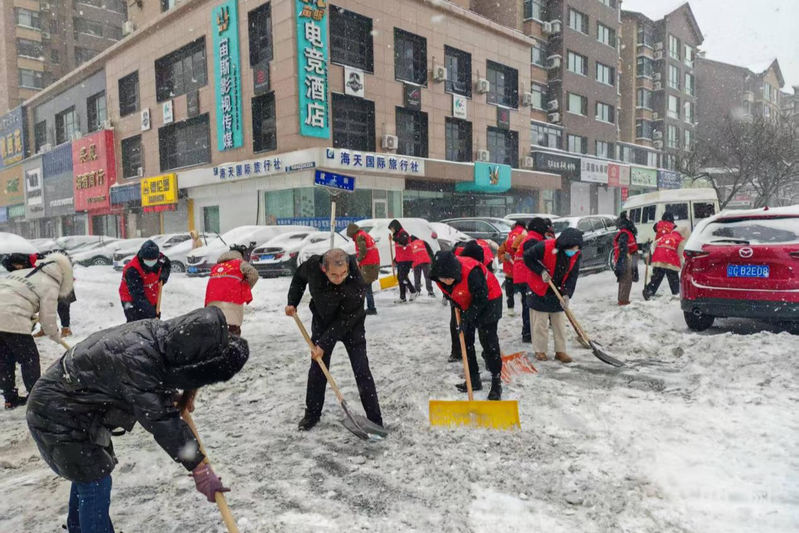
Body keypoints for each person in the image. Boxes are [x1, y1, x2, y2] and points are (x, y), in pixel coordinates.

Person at [26, 307, 249, 533]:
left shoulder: (157, 337)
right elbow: (162, 421)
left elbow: (136, 381)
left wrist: (169, 395)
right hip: (57, 414)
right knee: (94, 480)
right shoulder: (140, 358)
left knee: (87, 474)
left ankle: (79, 528)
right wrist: (199, 468)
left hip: (69, 408)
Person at [285, 249, 383, 431]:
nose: (339, 278)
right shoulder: (313, 266)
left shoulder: (356, 282)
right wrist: (292, 301)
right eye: (334, 275)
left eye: (343, 273)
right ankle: (312, 414)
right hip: (322, 321)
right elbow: (299, 278)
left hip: (351, 325)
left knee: (362, 370)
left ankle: (375, 420)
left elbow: (345, 320)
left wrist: (323, 344)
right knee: (317, 369)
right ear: (323, 269)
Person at [0, 252, 72, 410]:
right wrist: (54, 335)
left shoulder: (22, 272)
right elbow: (48, 317)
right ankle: (36, 400)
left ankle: (10, 398)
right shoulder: (50, 282)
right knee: (29, 359)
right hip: (12, 317)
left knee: (5, 358)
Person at [430, 249, 504, 400]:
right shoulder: (440, 278)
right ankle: (473, 379)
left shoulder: (472, 272)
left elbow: (481, 299)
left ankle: (496, 382)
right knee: (466, 341)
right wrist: (457, 307)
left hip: (490, 300)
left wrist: (467, 318)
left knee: (488, 342)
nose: (446, 281)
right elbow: (449, 293)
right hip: (466, 301)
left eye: (449, 278)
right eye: (443, 279)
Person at [523, 228, 583, 364]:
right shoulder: (545, 246)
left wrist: (567, 294)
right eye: (572, 248)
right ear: (564, 245)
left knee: (559, 322)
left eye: (576, 248)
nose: (573, 251)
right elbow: (527, 257)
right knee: (540, 322)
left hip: (558, 289)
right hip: (539, 287)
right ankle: (540, 350)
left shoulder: (576, 255)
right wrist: (541, 271)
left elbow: (573, 276)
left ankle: (560, 351)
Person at [205, 245, 259, 336]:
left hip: (212, 300)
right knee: (233, 327)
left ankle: (219, 346)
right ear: (240, 254)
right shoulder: (240, 263)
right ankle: (233, 345)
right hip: (232, 298)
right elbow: (254, 274)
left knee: (218, 327)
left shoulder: (216, 266)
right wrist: (245, 288)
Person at [119, 239, 171, 323]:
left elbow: (167, 265)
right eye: (148, 260)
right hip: (131, 299)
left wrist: (164, 276)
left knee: (151, 323)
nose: (151, 262)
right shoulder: (132, 270)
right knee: (136, 324)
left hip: (151, 294)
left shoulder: (159, 258)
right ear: (142, 257)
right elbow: (138, 296)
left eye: (153, 260)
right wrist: (152, 314)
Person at [514, 218, 548, 343]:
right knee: (530, 305)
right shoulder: (532, 240)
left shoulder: (530, 238)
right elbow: (536, 259)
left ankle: (528, 332)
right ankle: (528, 333)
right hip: (526, 276)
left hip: (521, 275)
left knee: (527, 304)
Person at [644, 224, 685, 300]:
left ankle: (648, 291)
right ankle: (677, 294)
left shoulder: (665, 236)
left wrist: (659, 251)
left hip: (658, 259)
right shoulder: (680, 239)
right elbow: (680, 255)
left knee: (657, 277)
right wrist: (681, 266)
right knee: (673, 279)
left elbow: (655, 243)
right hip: (670, 261)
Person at [347, 223, 380, 315]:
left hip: (368, 264)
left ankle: (371, 308)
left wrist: (358, 260)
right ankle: (370, 307)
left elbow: (363, 251)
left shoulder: (359, 236)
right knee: (366, 286)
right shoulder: (364, 234)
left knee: (365, 286)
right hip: (372, 262)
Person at [499, 221, 526, 315]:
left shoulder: (510, 234)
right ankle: (525, 309)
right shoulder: (524, 233)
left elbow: (502, 250)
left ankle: (510, 308)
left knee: (509, 290)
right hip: (521, 267)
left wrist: (504, 257)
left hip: (509, 267)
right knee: (524, 291)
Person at [613, 213, 640, 306]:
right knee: (626, 279)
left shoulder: (626, 233)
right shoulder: (625, 233)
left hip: (626, 257)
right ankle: (623, 300)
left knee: (624, 278)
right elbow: (622, 246)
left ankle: (622, 298)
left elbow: (630, 244)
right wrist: (626, 255)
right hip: (625, 258)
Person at [388, 220, 417, 303]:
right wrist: (395, 260)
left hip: (406, 260)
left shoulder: (403, 233)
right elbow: (400, 250)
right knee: (400, 278)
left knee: (402, 277)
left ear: (395, 227)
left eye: (392, 229)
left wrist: (393, 238)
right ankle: (403, 297)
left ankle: (413, 291)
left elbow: (404, 242)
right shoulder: (398, 235)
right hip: (401, 260)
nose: (392, 231)